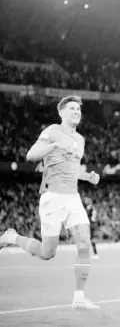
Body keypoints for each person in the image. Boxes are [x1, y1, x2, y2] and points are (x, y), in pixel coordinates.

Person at [0, 95, 101, 309]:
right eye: (72, 108)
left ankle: (79, 298)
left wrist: (87, 177)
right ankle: (13, 237)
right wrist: (52, 146)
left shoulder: (80, 140)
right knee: (47, 253)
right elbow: (30, 155)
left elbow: (73, 170)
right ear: (61, 112)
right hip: (52, 198)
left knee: (84, 243)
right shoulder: (53, 131)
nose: (76, 112)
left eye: (78, 109)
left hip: (73, 198)